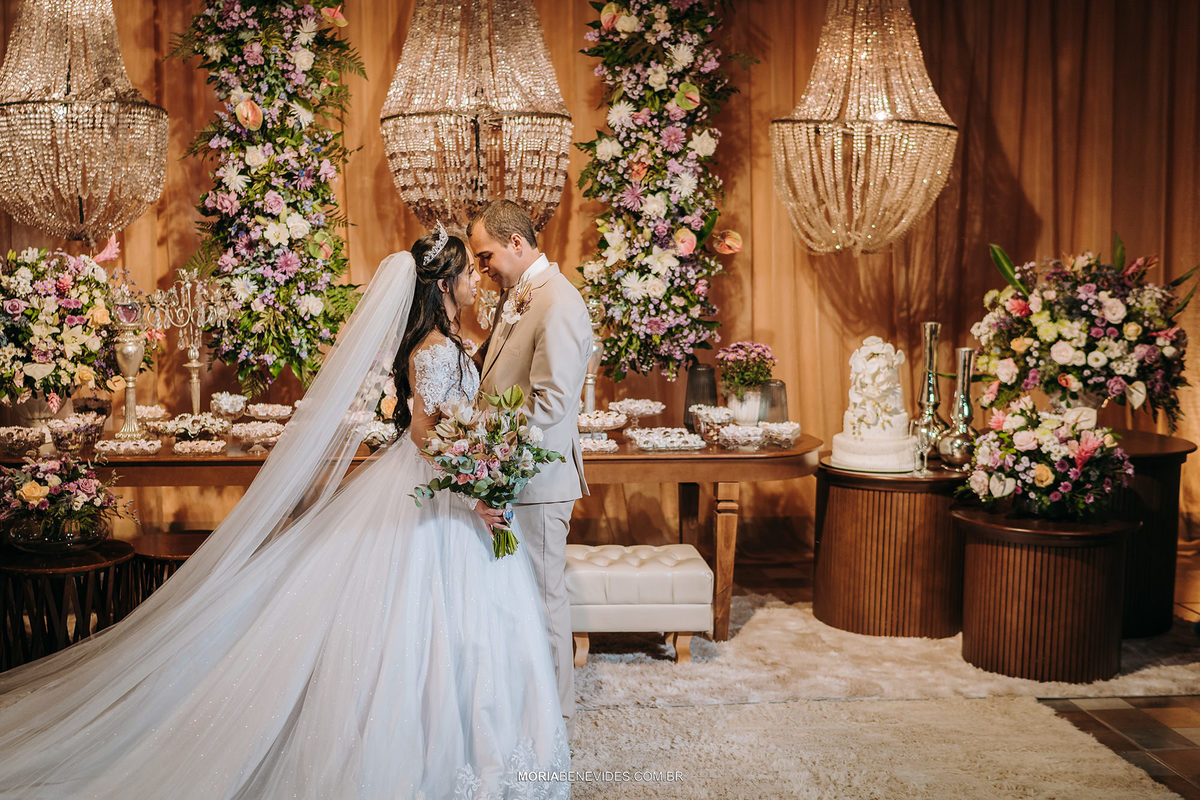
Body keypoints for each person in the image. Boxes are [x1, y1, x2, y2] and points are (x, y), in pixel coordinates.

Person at [0, 228, 569, 799]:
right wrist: (474, 491)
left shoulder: (447, 341)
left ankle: (478, 744)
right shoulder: (435, 350)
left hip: (450, 485)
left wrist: (482, 465)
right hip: (439, 490)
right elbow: (424, 433)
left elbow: (450, 425)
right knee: (428, 621)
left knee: (466, 623)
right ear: (445, 284)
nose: (476, 281)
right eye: (469, 273)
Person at [467, 200, 592, 735]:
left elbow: (551, 402)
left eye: (486, 256)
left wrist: (478, 432)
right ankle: (527, 709)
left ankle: (556, 720)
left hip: (536, 479)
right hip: (512, 473)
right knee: (521, 602)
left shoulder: (558, 303)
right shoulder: (523, 298)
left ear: (517, 244)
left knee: (544, 602)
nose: (481, 269)